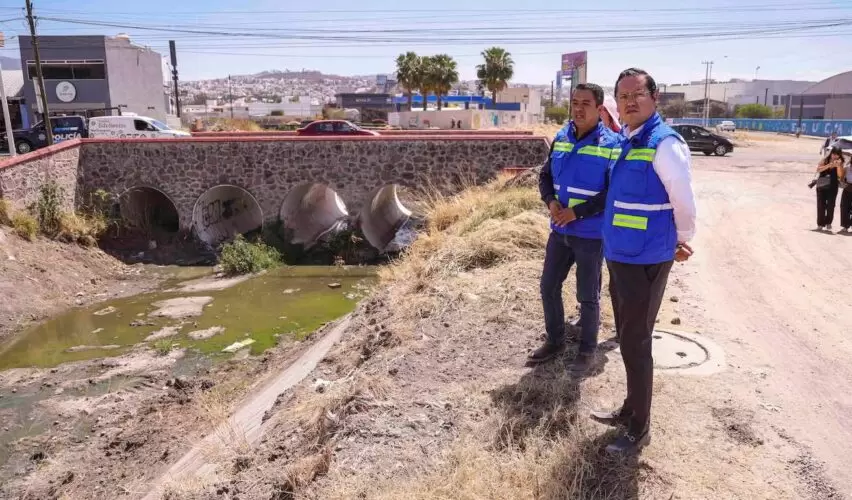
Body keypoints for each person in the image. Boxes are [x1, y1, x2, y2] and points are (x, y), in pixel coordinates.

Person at [589, 68, 697, 454]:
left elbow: (682, 197)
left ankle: (639, 428)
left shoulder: (664, 143)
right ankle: (629, 408)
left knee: (636, 342)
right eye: (622, 96)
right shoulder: (629, 138)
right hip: (620, 254)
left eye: (637, 94)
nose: (629, 101)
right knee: (627, 339)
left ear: (655, 98)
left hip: (647, 257)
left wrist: (682, 238)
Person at [531, 83, 622, 372]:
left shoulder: (612, 145)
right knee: (548, 287)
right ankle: (555, 340)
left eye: (586, 103)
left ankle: (587, 350)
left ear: (599, 109)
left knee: (587, 296)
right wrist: (550, 202)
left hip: (591, 236)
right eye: (574, 102)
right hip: (559, 232)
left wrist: (576, 213)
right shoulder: (561, 137)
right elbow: (544, 176)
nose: (579, 108)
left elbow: (613, 193)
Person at [815, 146, 842, 231]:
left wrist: (838, 166)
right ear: (831, 153)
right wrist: (829, 165)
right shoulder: (825, 160)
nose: (835, 156)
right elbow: (818, 170)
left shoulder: (840, 162)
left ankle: (828, 223)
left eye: (837, 155)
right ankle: (820, 224)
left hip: (833, 187)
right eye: (834, 154)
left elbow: (840, 175)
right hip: (822, 185)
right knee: (821, 205)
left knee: (831, 206)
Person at [839, 155, 852, 233]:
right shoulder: (847, 168)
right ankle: (845, 226)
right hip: (847, 189)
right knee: (844, 208)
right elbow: (841, 178)